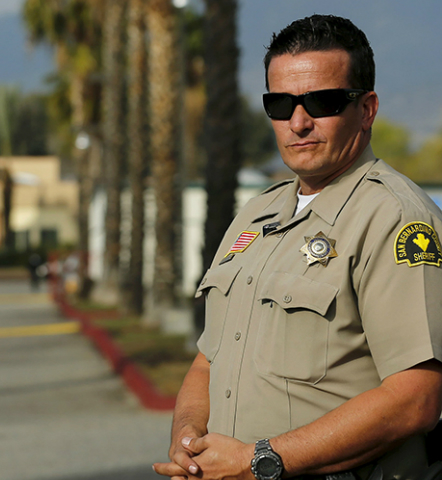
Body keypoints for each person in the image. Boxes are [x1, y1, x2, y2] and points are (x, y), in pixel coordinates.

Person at [154, 14, 442, 480]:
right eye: (281, 104)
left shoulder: (395, 219)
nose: (298, 122)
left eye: (322, 101)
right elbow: (210, 360)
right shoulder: (256, 214)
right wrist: (188, 438)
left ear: (366, 109)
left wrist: (258, 462)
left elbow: (416, 398)